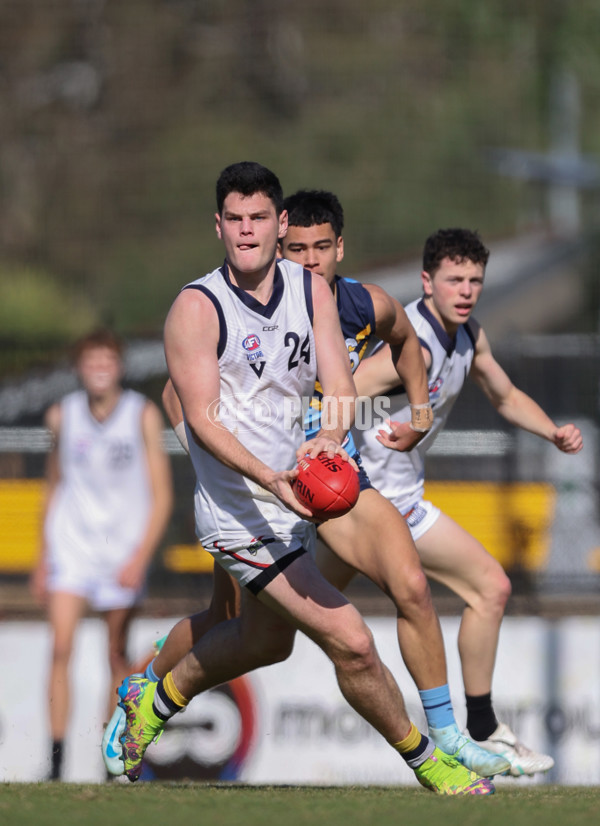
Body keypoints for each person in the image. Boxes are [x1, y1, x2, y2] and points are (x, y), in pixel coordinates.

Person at [108, 162, 494, 794]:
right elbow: (201, 418)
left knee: (266, 644)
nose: (247, 231)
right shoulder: (197, 308)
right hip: (240, 511)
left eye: (259, 217)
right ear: (219, 226)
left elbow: (341, 385)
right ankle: (432, 761)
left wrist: (328, 437)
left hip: (298, 495)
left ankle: (152, 699)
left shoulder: (309, 289)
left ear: (278, 222)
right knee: (352, 640)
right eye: (234, 219)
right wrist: (269, 473)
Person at [351, 227, 583, 776]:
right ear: (427, 281)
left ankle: (480, 729)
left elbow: (503, 394)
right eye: (454, 279)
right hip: (357, 509)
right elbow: (339, 392)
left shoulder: (469, 335)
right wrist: (332, 455)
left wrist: (551, 432)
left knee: (491, 586)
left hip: (403, 504)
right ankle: (166, 683)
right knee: (268, 633)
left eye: (475, 280)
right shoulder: (414, 342)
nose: (466, 290)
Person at [30, 328, 174, 781]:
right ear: (79, 366)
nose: (99, 368)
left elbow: (162, 494)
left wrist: (140, 556)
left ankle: (108, 758)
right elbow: (53, 486)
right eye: (91, 359)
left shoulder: (141, 415)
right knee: (61, 647)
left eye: (107, 359)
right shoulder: (62, 415)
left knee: (115, 656)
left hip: (121, 551)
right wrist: (42, 554)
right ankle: (55, 760)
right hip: (72, 547)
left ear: (119, 366)